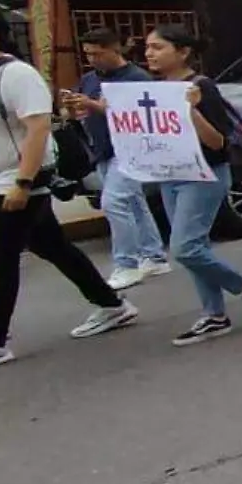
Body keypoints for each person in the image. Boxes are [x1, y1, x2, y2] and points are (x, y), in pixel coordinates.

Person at [0, 9, 138, 373]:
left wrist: (24, 182)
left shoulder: (17, 75)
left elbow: (38, 129)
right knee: (52, 246)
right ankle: (112, 304)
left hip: (21, 178)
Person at [141, 25, 242, 346]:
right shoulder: (157, 87)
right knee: (194, 247)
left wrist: (189, 110)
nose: (149, 54)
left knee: (184, 248)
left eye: (158, 47)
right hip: (171, 174)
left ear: (183, 51)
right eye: (148, 47)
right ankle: (214, 315)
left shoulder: (202, 87)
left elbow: (217, 142)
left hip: (204, 175)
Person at [60, 28, 168, 289]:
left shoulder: (136, 78)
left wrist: (92, 105)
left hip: (132, 150)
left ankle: (126, 264)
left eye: (98, 53)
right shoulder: (89, 79)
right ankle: (154, 255)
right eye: (88, 54)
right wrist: (72, 109)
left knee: (114, 202)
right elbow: (78, 108)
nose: (93, 59)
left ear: (115, 49)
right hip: (104, 150)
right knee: (133, 203)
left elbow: (137, 114)